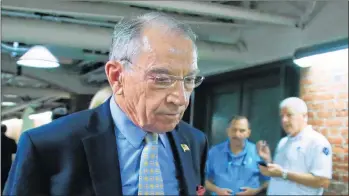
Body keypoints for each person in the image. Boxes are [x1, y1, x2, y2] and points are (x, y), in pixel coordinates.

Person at [4, 12, 208, 196]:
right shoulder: (48, 145)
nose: (181, 99)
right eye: (162, 79)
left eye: (189, 80)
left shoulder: (194, 142)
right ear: (117, 76)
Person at [257, 97, 332, 195]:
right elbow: (279, 172)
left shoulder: (317, 142)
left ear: (304, 116)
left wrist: (284, 174)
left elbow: (323, 181)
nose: (284, 120)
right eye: (282, 116)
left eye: (289, 115)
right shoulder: (283, 142)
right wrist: (268, 160)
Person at [205, 116, 269, 195]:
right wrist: (217, 190)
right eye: (234, 130)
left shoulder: (257, 153)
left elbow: (269, 181)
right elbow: (202, 179)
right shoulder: (214, 152)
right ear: (228, 131)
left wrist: (255, 191)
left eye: (242, 131)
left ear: (248, 133)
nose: (237, 134)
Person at [1, 124, 17, 193]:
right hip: (7, 166)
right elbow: (15, 150)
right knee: (6, 184)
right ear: (5, 130)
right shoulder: (11, 141)